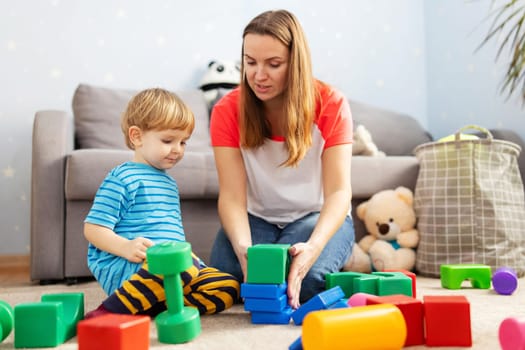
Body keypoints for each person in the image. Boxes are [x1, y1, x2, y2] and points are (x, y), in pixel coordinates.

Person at [209, 9, 355, 309]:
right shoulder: (227, 110)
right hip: (257, 219)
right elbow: (232, 197)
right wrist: (243, 249)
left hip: (312, 218)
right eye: (250, 62)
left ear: (296, 63)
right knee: (225, 281)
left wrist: (313, 248)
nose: (259, 75)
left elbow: (339, 193)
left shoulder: (332, 104)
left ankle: (338, 252)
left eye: (273, 64)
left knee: (309, 282)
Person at [84, 88, 239, 318]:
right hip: (129, 267)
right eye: (168, 140)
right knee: (182, 265)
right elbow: (92, 229)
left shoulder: (169, 183)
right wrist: (125, 247)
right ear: (137, 136)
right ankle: (109, 311)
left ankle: (161, 305)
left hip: (169, 268)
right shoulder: (123, 178)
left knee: (228, 285)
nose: (177, 149)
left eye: (183, 142)